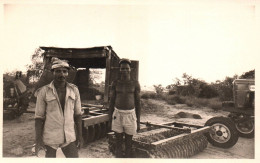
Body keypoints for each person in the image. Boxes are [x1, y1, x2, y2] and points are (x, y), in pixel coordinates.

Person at [34, 58, 83, 158]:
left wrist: (80, 136)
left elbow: (78, 115)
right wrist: (38, 140)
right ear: (53, 72)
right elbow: (38, 118)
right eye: (58, 71)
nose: (62, 75)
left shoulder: (74, 90)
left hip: (69, 137)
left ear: (68, 73)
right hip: (50, 138)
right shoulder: (43, 91)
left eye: (64, 71)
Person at [108, 58, 141, 158]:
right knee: (118, 143)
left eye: (127, 68)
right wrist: (109, 120)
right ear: (120, 69)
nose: (124, 70)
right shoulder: (115, 83)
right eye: (122, 68)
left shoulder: (135, 83)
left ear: (131, 69)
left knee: (128, 144)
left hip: (130, 115)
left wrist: (138, 122)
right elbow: (111, 102)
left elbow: (138, 103)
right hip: (117, 115)